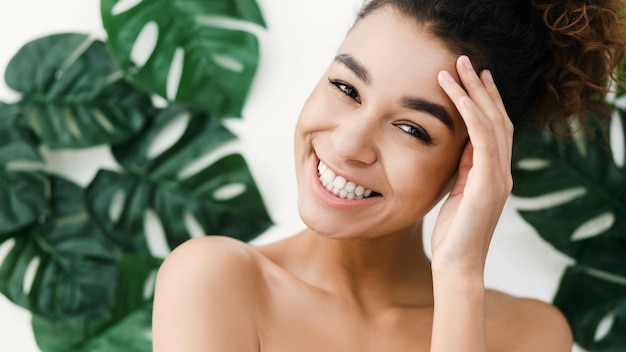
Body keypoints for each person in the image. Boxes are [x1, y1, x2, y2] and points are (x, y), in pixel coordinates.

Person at [152, 0, 626, 350]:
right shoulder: (215, 281)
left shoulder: (528, 335)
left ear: (476, 159)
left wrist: (459, 279)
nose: (347, 144)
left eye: (411, 128)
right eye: (346, 87)